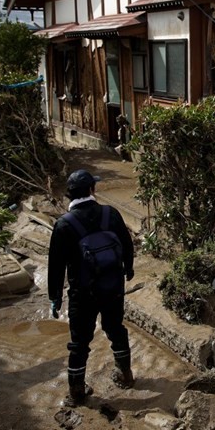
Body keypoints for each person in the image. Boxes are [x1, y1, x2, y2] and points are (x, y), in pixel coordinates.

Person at [48, 169, 136, 407]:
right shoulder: (110, 214)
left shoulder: (64, 225)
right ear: (91, 190)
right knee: (115, 328)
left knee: (79, 342)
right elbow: (127, 246)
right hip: (113, 287)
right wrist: (128, 270)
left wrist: (54, 297)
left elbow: (55, 266)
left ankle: (77, 392)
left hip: (82, 294)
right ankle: (125, 374)